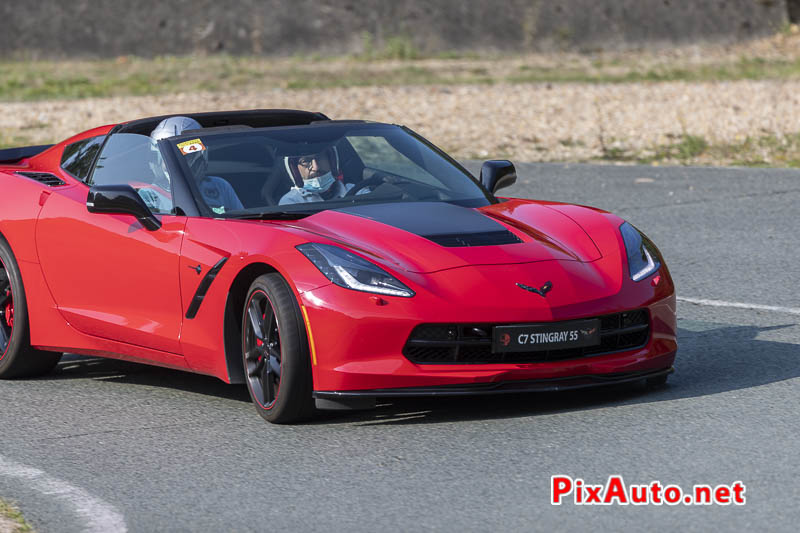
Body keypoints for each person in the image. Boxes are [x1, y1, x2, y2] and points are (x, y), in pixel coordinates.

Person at [149, 116, 244, 215]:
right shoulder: (149, 195)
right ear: (157, 159)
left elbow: (241, 222)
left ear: (201, 156)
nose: (178, 163)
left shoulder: (219, 186)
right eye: (168, 157)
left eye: (187, 156)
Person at [279, 147, 363, 205]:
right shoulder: (291, 201)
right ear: (295, 171)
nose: (316, 167)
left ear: (331, 161)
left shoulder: (356, 192)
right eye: (305, 161)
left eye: (320, 158)